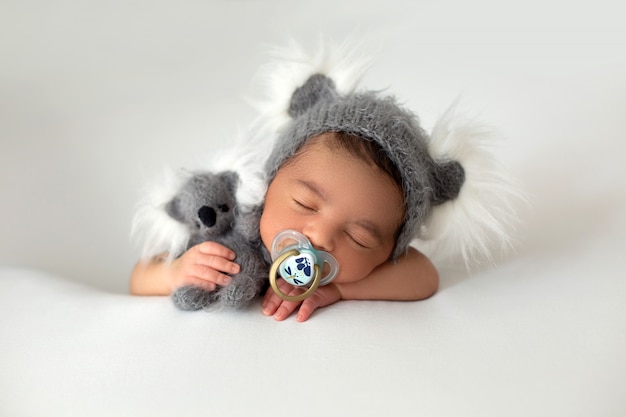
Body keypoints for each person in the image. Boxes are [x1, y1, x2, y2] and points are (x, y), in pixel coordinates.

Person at [130, 59, 506, 322]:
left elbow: (425, 276)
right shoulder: (235, 227)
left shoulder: (345, 276)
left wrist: (341, 291)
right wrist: (173, 275)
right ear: (270, 183)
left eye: (359, 237)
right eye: (305, 203)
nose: (321, 236)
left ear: (390, 249)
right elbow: (138, 276)